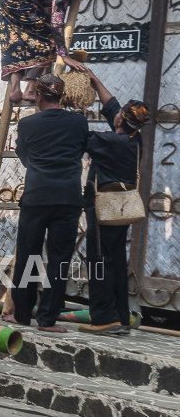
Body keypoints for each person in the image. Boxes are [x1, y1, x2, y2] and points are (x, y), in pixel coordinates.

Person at [8, 74, 88, 332]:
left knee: (28, 257)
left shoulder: (28, 123)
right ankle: (47, 320)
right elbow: (81, 150)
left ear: (39, 96)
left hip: (36, 197)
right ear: (61, 95)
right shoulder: (79, 122)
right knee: (59, 261)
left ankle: (21, 315)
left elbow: (23, 154)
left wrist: (39, 168)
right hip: (68, 199)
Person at [79, 70, 149, 335]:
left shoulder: (109, 141)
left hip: (103, 209)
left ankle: (103, 318)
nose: (115, 113)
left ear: (121, 121)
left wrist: (73, 112)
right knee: (117, 261)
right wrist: (95, 81)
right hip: (122, 210)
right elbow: (112, 107)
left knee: (98, 261)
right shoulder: (134, 138)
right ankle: (121, 318)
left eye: (119, 113)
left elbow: (78, 135)